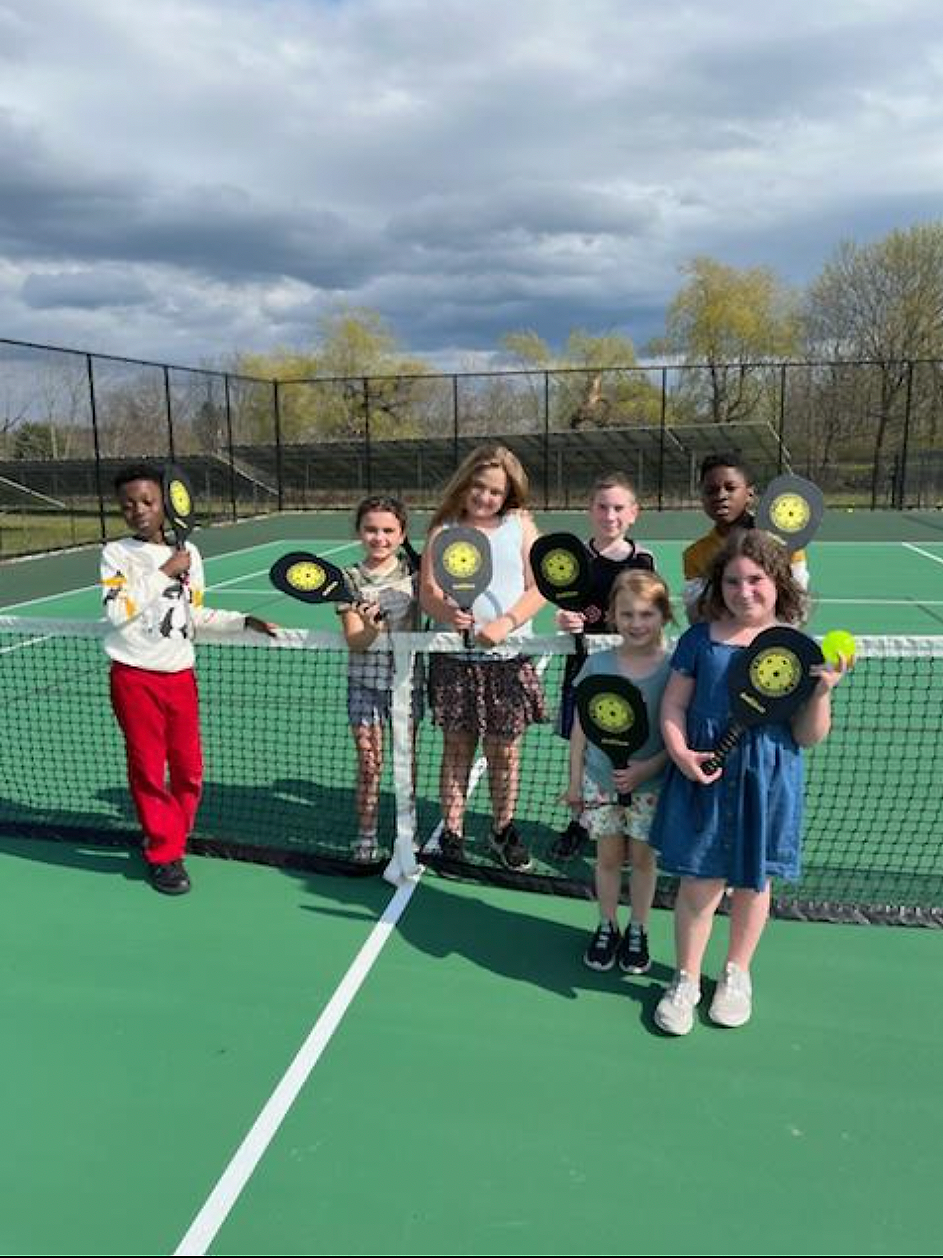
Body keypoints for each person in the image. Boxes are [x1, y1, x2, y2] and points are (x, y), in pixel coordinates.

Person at [650, 530, 849, 1035]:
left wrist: (821, 693)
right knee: (698, 882)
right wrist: (680, 752)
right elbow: (673, 704)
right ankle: (686, 978)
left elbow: (807, 735)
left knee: (753, 881)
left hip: (767, 776)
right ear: (720, 585)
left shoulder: (799, 648)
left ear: (778, 582)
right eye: (733, 581)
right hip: (707, 772)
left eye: (756, 580)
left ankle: (737, 974)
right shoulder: (700, 639)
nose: (744, 591)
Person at [101, 464, 277, 895]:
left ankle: (172, 835)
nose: (138, 510)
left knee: (189, 770)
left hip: (180, 676)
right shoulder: (116, 553)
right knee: (146, 768)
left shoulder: (190, 554)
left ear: (168, 504)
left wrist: (242, 621)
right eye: (128, 504)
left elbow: (192, 616)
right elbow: (116, 611)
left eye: (147, 501)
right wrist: (163, 571)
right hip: (134, 676)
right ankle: (164, 854)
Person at [420, 444, 546, 871]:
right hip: (454, 659)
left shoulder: (521, 525)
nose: (485, 497)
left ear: (507, 493)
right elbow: (429, 593)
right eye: (479, 486)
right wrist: (447, 613)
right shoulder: (443, 529)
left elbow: (539, 586)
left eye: (495, 491)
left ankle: (501, 829)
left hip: (509, 659)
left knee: (504, 752)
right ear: (465, 483)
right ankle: (452, 833)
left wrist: (505, 623)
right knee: (456, 748)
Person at [562, 570, 672, 974]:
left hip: (652, 786)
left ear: (664, 616)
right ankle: (607, 925)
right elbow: (581, 727)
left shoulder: (673, 668)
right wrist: (575, 781)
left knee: (643, 861)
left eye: (646, 614)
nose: (636, 623)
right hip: (600, 781)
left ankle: (638, 929)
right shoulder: (599, 662)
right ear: (612, 616)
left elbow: (674, 733)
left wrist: (648, 768)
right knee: (607, 858)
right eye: (627, 614)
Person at [553, 472, 655, 859]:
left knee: (625, 746)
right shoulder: (574, 558)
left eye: (618, 508)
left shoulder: (642, 559)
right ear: (589, 510)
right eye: (601, 507)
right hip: (583, 667)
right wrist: (566, 619)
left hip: (629, 670)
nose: (609, 515)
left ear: (633, 513)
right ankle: (579, 820)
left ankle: (625, 821)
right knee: (580, 745)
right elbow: (565, 602)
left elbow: (648, 611)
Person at [336, 495, 423, 863]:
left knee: (406, 760)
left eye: (388, 530)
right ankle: (367, 835)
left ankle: (407, 832)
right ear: (360, 532)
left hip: (408, 684)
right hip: (364, 682)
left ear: (402, 535)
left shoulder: (418, 574)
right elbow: (356, 641)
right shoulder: (348, 577)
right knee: (370, 763)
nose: (379, 537)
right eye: (371, 529)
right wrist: (372, 629)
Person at [682, 453, 809, 623]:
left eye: (730, 488)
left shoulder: (783, 542)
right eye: (711, 490)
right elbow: (696, 615)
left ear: (749, 493)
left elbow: (797, 607)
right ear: (702, 497)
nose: (721, 496)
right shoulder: (695, 555)